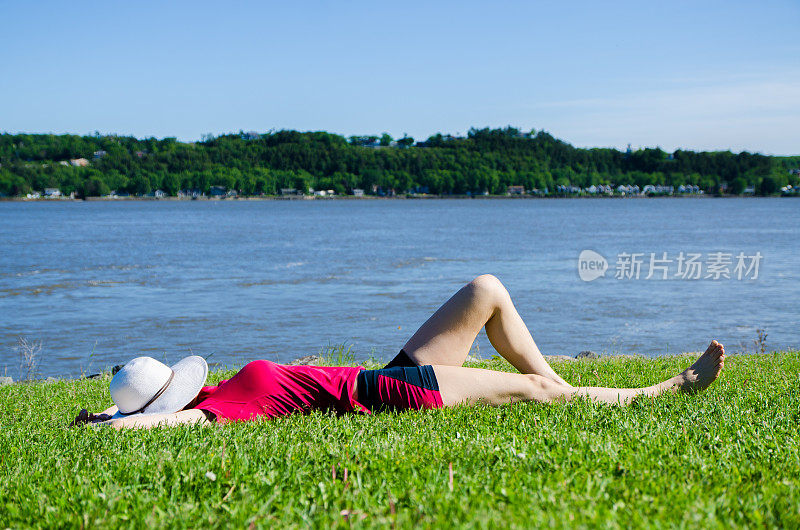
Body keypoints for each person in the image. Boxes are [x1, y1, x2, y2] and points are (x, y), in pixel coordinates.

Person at [73, 275, 725, 429]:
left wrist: (110, 417)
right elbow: (166, 427)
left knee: (486, 290)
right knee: (533, 394)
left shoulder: (220, 391)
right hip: (387, 395)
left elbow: (157, 417)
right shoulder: (216, 413)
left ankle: (560, 385)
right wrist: (116, 426)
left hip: (383, 372)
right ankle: (660, 393)